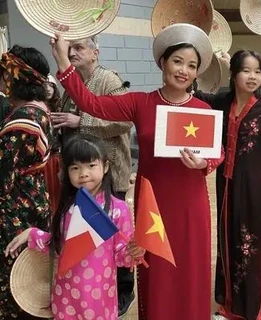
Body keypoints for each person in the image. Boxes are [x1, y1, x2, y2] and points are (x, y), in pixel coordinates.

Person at [49, 24, 223, 320]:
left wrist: (204, 164)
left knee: (191, 269)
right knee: (155, 269)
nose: (184, 70)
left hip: (191, 203)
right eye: (178, 61)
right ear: (162, 63)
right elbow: (91, 103)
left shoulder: (201, 109)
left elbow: (217, 152)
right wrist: (64, 62)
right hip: (153, 204)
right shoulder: (140, 102)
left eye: (192, 66)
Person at [196, 49, 261, 320]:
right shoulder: (221, 101)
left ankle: (250, 308)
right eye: (246, 70)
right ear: (233, 74)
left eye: (257, 71)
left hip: (254, 188)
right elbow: (193, 95)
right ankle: (229, 302)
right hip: (226, 185)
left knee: (250, 246)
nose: (253, 76)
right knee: (228, 242)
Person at [5, 134, 145, 320]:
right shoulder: (69, 207)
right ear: (67, 171)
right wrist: (32, 234)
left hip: (100, 298)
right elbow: (59, 246)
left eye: (91, 165)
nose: (83, 173)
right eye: (75, 167)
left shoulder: (117, 210)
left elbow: (122, 257)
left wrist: (135, 250)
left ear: (106, 167)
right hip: (65, 295)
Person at [50, 35, 135, 314]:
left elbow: (124, 121)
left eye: (78, 48)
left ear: (95, 53)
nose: (72, 52)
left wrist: (81, 120)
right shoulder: (69, 86)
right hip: (78, 178)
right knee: (83, 239)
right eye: (69, 48)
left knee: (116, 238)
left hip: (108, 175)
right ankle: (85, 293)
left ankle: (121, 297)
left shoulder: (109, 80)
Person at [0, 45, 53, 320]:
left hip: (15, 212)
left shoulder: (21, 120)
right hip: (35, 200)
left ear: (15, 78)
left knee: (16, 284)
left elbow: (2, 178)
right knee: (30, 277)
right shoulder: (39, 110)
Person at [44, 75, 62, 214]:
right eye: (44, 85)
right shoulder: (38, 108)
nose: (48, 89)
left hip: (58, 155)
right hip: (45, 157)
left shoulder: (59, 107)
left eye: (51, 86)